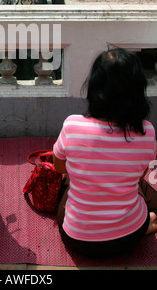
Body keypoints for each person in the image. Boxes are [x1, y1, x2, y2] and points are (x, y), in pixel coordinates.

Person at [53, 47, 157, 258]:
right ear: (138, 90)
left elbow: (59, 167)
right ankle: (148, 222)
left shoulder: (72, 125)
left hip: (77, 238)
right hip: (130, 238)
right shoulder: (147, 132)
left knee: (67, 183)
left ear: (94, 87)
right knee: (140, 188)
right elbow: (140, 174)